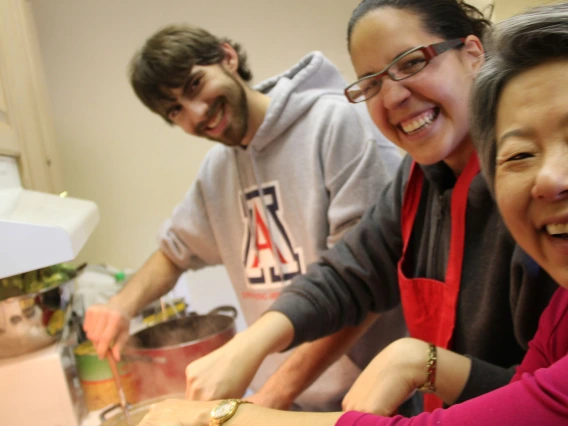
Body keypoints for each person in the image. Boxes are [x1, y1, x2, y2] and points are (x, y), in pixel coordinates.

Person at [138, 2, 568, 424]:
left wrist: (229, 416)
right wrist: (250, 344)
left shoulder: (532, 210)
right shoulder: (417, 178)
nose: (395, 95)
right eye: (372, 83)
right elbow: (352, 272)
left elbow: (530, 405)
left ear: (474, 54)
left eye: (411, 62)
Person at [82, 24, 404, 411]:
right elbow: (175, 251)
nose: (197, 112)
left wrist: (270, 399)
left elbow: (364, 283)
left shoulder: (336, 123)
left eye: (195, 85)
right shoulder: (217, 170)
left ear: (227, 57)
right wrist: (121, 305)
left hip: (370, 397)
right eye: (175, 110)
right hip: (289, 402)